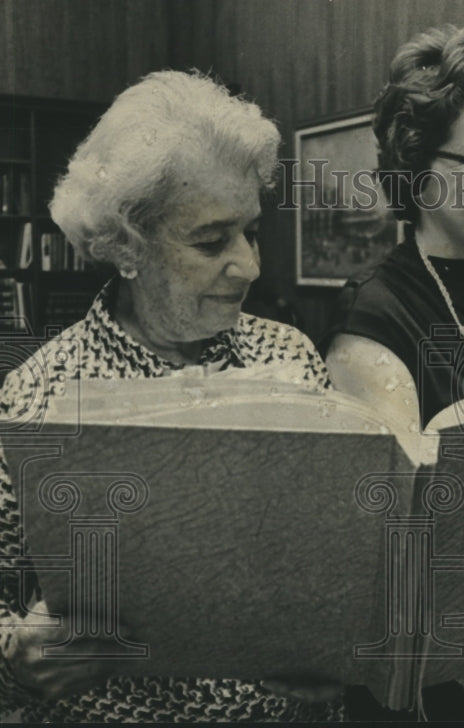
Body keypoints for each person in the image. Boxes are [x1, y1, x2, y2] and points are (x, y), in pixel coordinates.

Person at [0, 70, 342, 722]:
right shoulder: (39, 395)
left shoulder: (291, 359)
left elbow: (335, 562)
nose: (249, 265)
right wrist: (18, 659)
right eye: (212, 240)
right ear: (127, 246)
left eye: (252, 232)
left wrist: (342, 645)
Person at [323, 24, 464, 719]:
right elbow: (382, 561)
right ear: (418, 167)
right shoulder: (373, 318)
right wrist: (459, 675)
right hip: (431, 695)